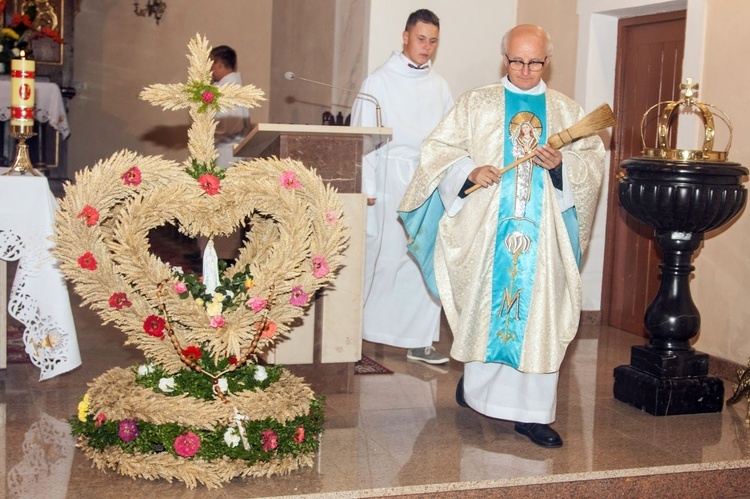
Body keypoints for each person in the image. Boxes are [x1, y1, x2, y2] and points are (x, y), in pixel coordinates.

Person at [398, 24, 605, 447]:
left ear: (547, 61)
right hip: (487, 233)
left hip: (543, 240)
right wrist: (467, 171)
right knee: (487, 312)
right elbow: (439, 150)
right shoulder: (477, 103)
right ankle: (476, 391)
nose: (525, 70)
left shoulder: (566, 111)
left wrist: (562, 164)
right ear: (504, 58)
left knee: (538, 319)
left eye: (534, 61)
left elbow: (593, 165)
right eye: (516, 60)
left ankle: (532, 416)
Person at [350, 9, 454, 365]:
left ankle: (419, 340)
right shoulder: (377, 81)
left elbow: (449, 139)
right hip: (388, 178)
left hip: (425, 179)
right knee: (383, 256)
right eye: (421, 38)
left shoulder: (440, 85)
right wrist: (368, 187)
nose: (426, 47)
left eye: (433, 41)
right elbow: (362, 138)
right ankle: (360, 334)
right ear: (405, 36)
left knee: (422, 258)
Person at [209, 45, 250, 169]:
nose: (209, 69)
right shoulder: (223, 87)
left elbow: (233, 125)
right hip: (224, 149)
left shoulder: (230, 89)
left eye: (210, 64)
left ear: (219, 65)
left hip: (227, 152)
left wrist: (208, 131)